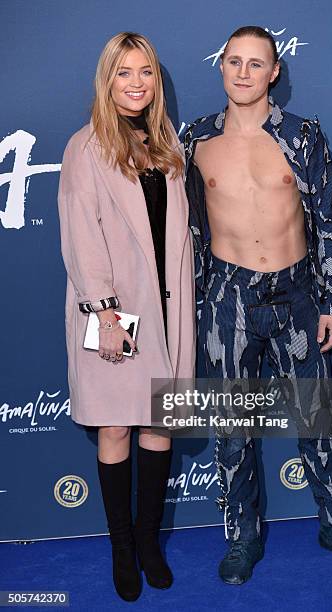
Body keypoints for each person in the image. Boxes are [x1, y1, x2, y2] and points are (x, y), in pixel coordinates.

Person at [183, 25, 332, 585]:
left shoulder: (303, 136)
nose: (243, 72)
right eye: (233, 61)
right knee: (232, 425)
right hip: (227, 300)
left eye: (256, 64)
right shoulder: (193, 139)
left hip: (296, 296)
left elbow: (329, 221)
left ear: (274, 72)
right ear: (220, 66)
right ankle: (242, 537)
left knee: (317, 415)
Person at [58, 32, 195, 601]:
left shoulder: (167, 143)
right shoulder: (85, 146)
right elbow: (81, 235)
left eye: (145, 72)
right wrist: (105, 313)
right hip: (116, 310)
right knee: (115, 425)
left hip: (169, 307)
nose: (136, 83)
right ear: (106, 80)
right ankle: (121, 547)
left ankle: (148, 542)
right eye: (124, 73)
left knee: (158, 422)